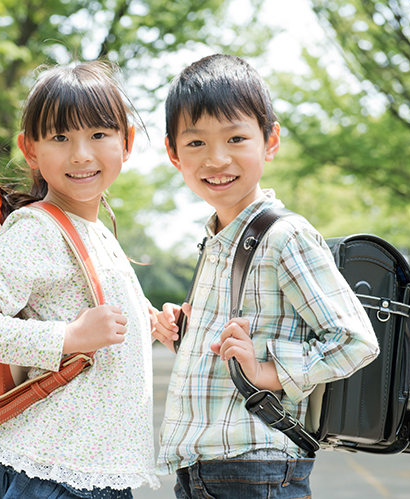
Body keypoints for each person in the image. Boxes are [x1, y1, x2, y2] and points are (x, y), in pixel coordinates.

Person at [151, 54, 380, 498]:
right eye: (196, 143)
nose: (217, 159)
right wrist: (184, 334)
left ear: (270, 141)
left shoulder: (283, 235)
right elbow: (241, 339)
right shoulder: (218, 240)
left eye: (236, 138)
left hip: (252, 466)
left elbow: (355, 341)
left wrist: (269, 372)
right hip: (208, 466)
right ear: (173, 153)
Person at [0, 61, 160, 499]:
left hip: (90, 468)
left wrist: (151, 324)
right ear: (30, 149)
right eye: (61, 137)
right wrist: (70, 336)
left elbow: (94, 322)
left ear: (126, 142)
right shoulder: (37, 228)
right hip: (47, 470)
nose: (81, 154)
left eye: (98, 135)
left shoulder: (96, 231)